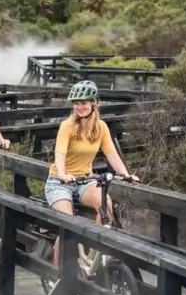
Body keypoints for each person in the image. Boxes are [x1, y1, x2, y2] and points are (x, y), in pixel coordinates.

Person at [45, 80, 139, 271]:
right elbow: (60, 153)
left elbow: (111, 153)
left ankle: (92, 257)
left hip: (85, 180)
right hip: (59, 183)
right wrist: (63, 174)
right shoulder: (67, 126)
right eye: (76, 103)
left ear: (94, 103)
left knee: (107, 207)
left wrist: (126, 174)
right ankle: (56, 275)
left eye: (84, 102)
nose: (79, 107)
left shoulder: (102, 127)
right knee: (67, 224)